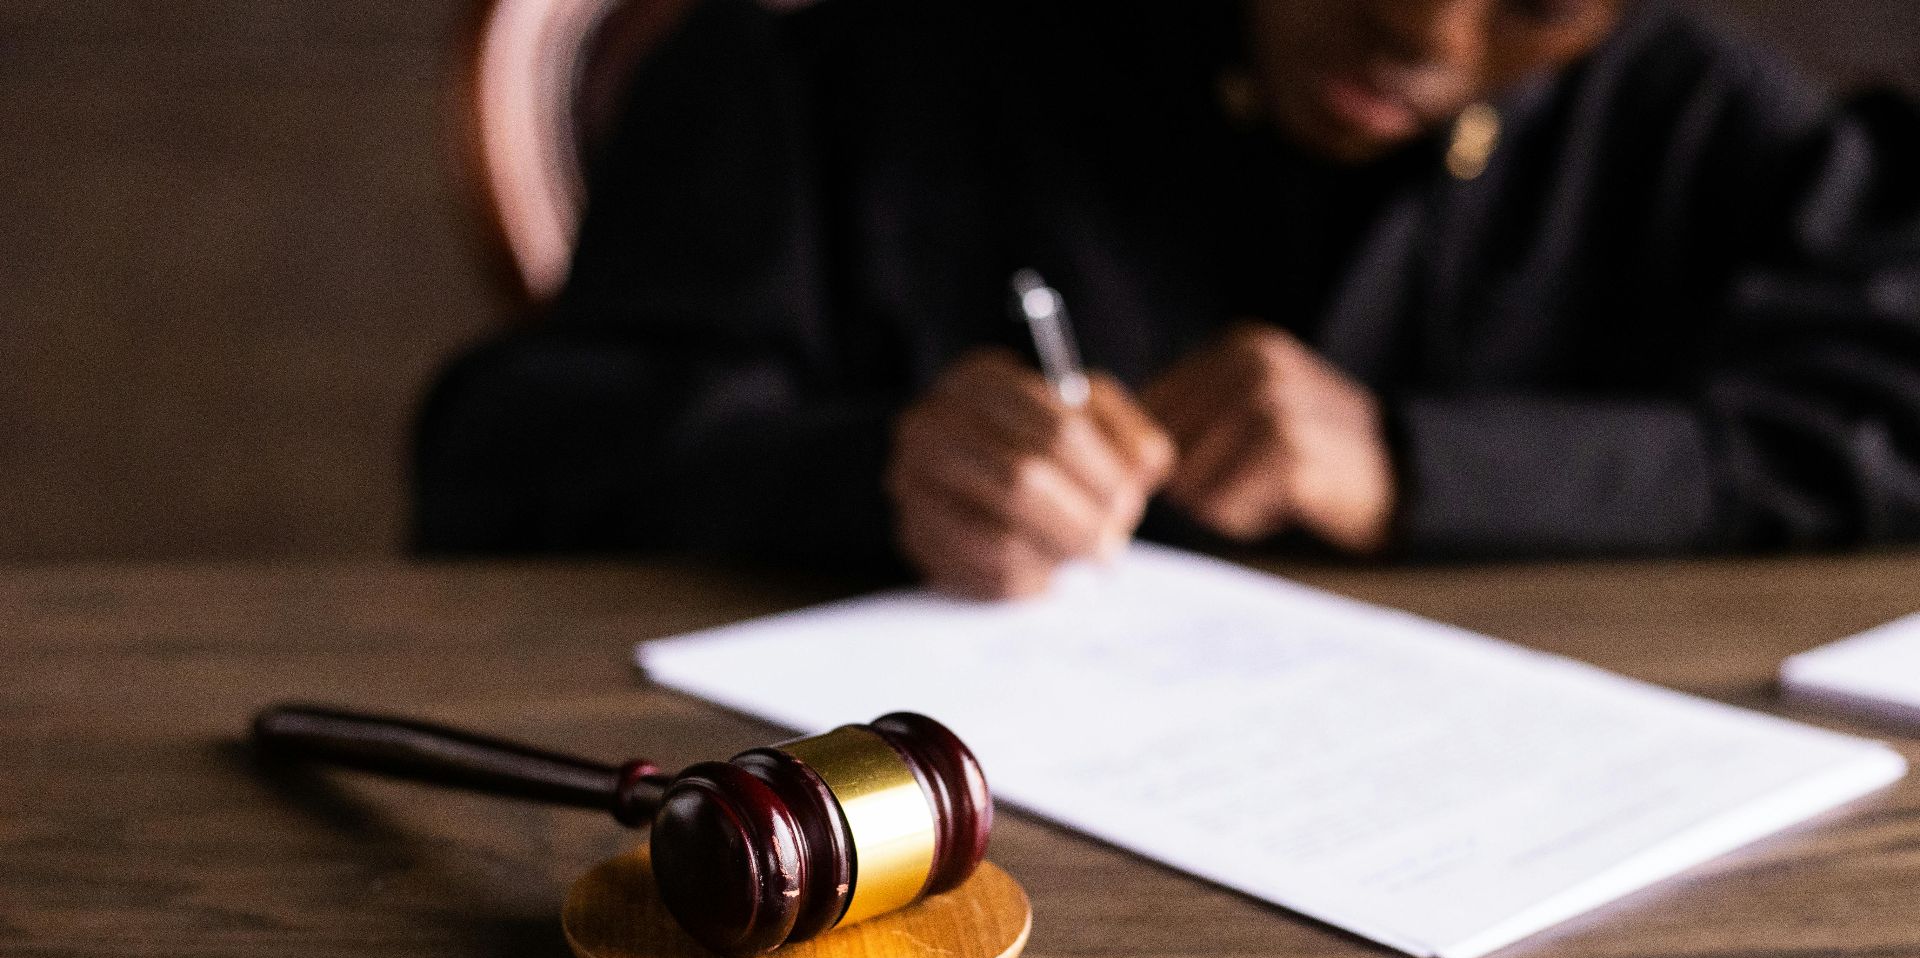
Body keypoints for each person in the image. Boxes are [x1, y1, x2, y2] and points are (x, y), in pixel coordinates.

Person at [414, 0, 1920, 598]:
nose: (1422, 32)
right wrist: (866, 469)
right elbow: (501, 456)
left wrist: (1416, 461)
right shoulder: (852, 61)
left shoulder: (1685, 116)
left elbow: (1885, 421)